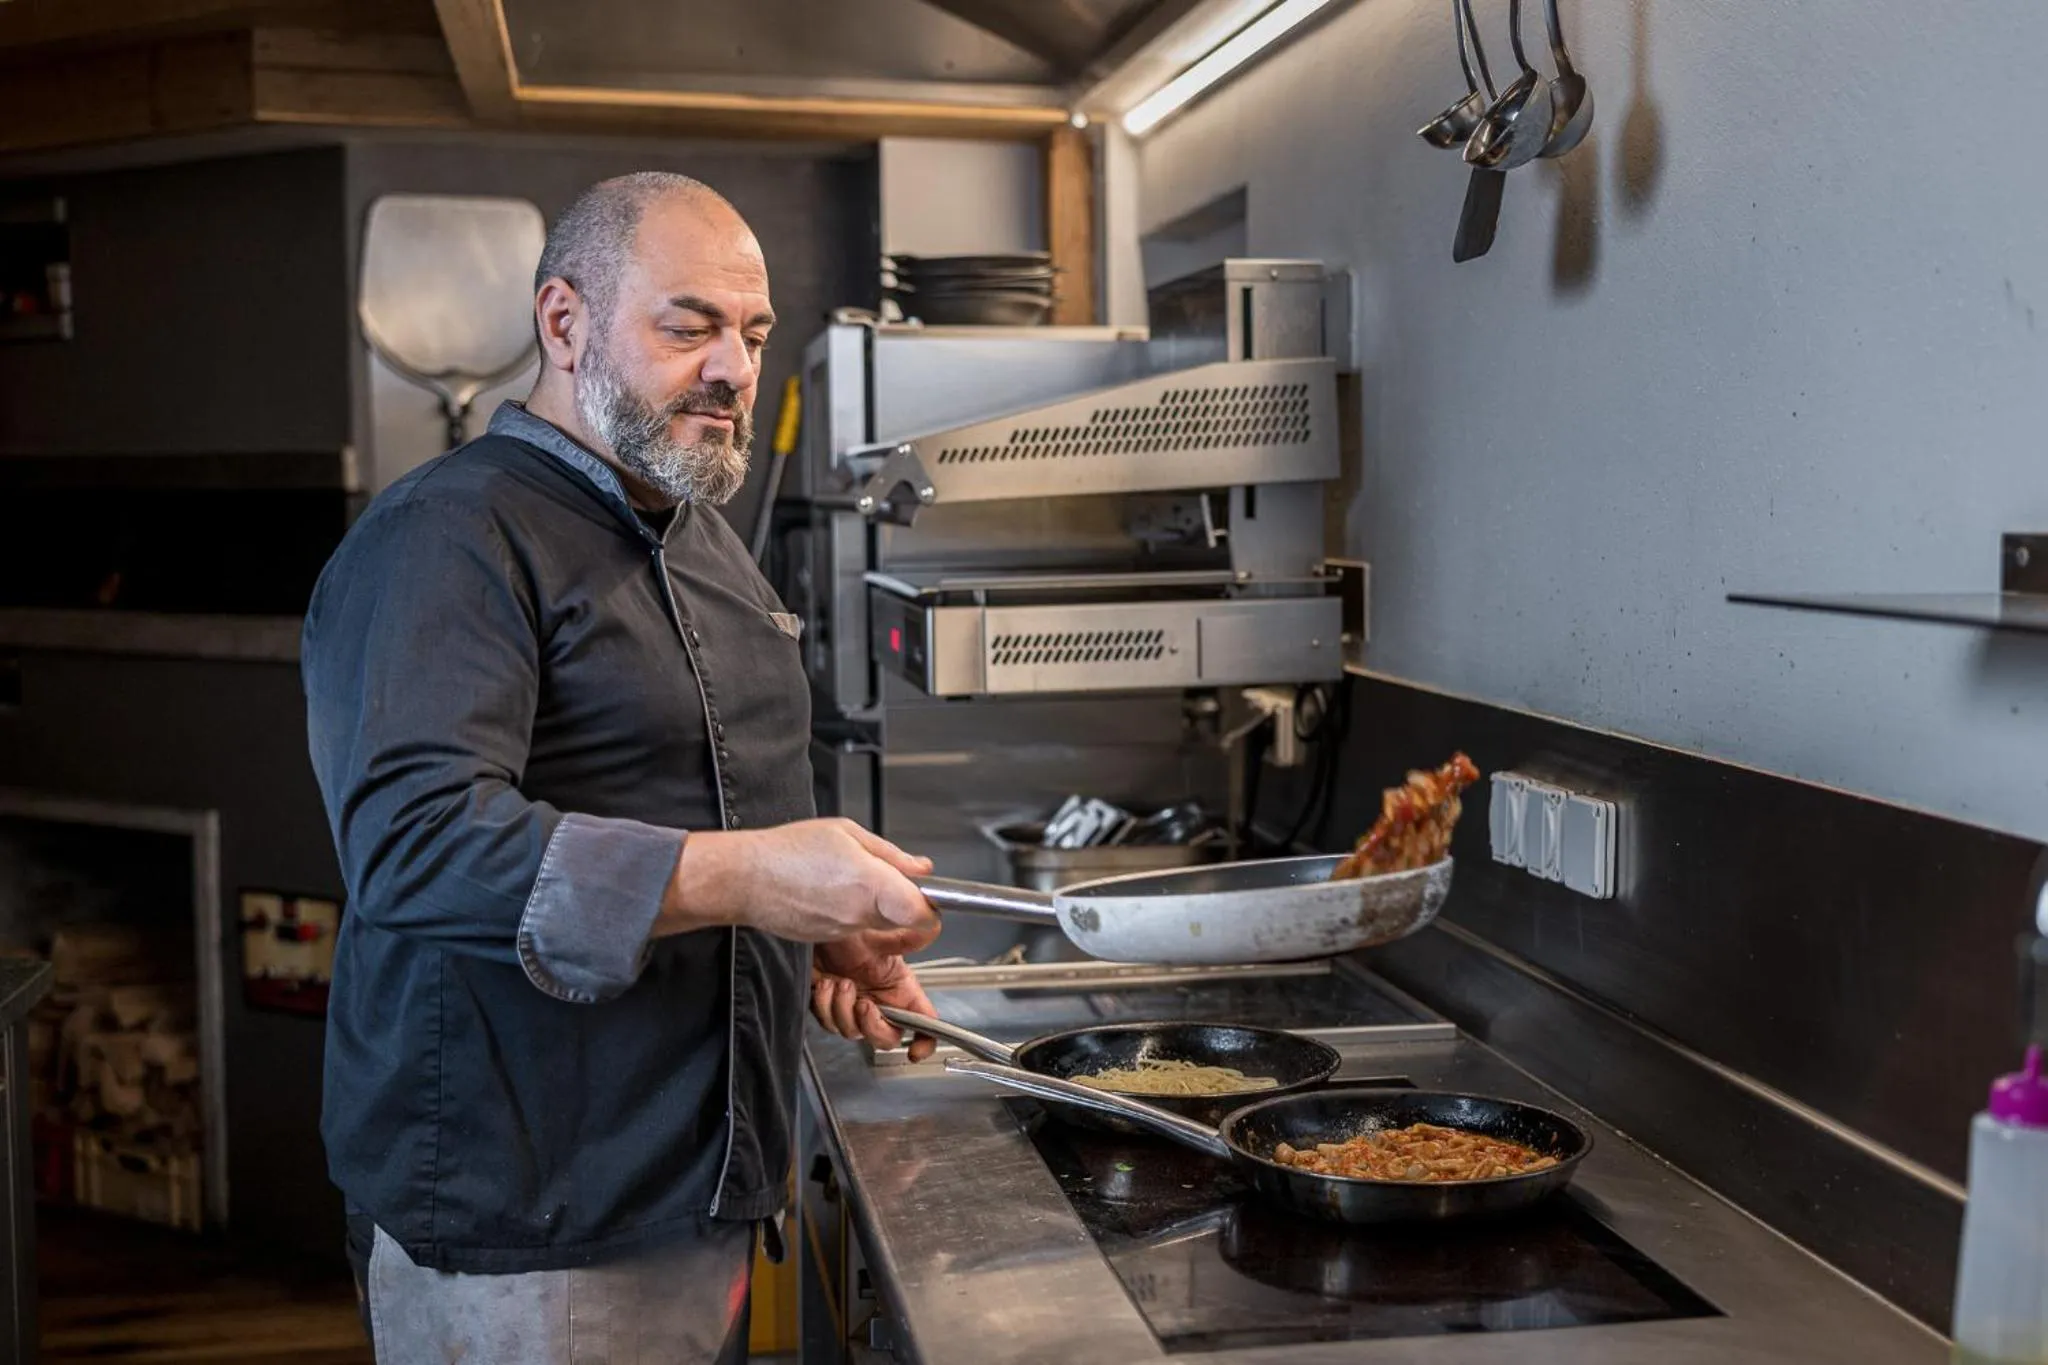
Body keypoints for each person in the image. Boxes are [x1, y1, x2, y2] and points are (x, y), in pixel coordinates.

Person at [301, 172, 942, 1363]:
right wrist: (754, 880)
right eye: (688, 327)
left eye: (751, 334)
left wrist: (808, 935)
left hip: (697, 1177)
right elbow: (414, 846)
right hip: (534, 1215)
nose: (734, 369)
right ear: (563, 322)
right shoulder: (447, 536)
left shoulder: (697, 536)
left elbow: (691, 796)